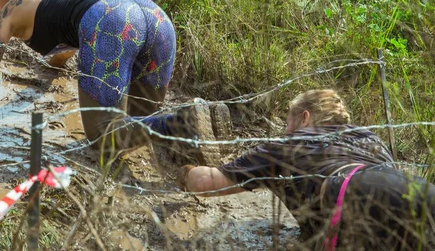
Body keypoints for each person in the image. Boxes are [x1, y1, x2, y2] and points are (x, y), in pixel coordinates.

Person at [0, 0, 224, 164]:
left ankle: (184, 121)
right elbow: (69, 38)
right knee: (139, 120)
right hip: (154, 17)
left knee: (103, 138)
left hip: (112, 21)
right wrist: (54, 66)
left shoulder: (10, 10)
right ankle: (203, 128)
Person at [178, 89, 435, 250]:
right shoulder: (370, 138)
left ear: (304, 118)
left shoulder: (294, 142)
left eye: (287, 121)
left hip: (349, 190)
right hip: (421, 194)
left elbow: (206, 183)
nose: (285, 130)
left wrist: (183, 171)